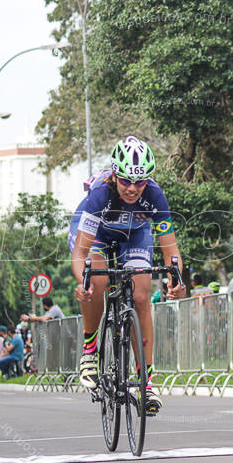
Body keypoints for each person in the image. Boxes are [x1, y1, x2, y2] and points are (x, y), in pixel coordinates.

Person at [70, 136, 186, 414]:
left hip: (133, 236)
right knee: (96, 279)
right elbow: (79, 253)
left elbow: (171, 248)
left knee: (141, 295)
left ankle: (146, 381)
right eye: (126, 181)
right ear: (115, 176)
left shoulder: (155, 195)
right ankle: (89, 350)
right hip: (96, 237)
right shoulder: (100, 193)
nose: (133, 188)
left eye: (140, 182)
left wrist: (177, 279)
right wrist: (81, 282)